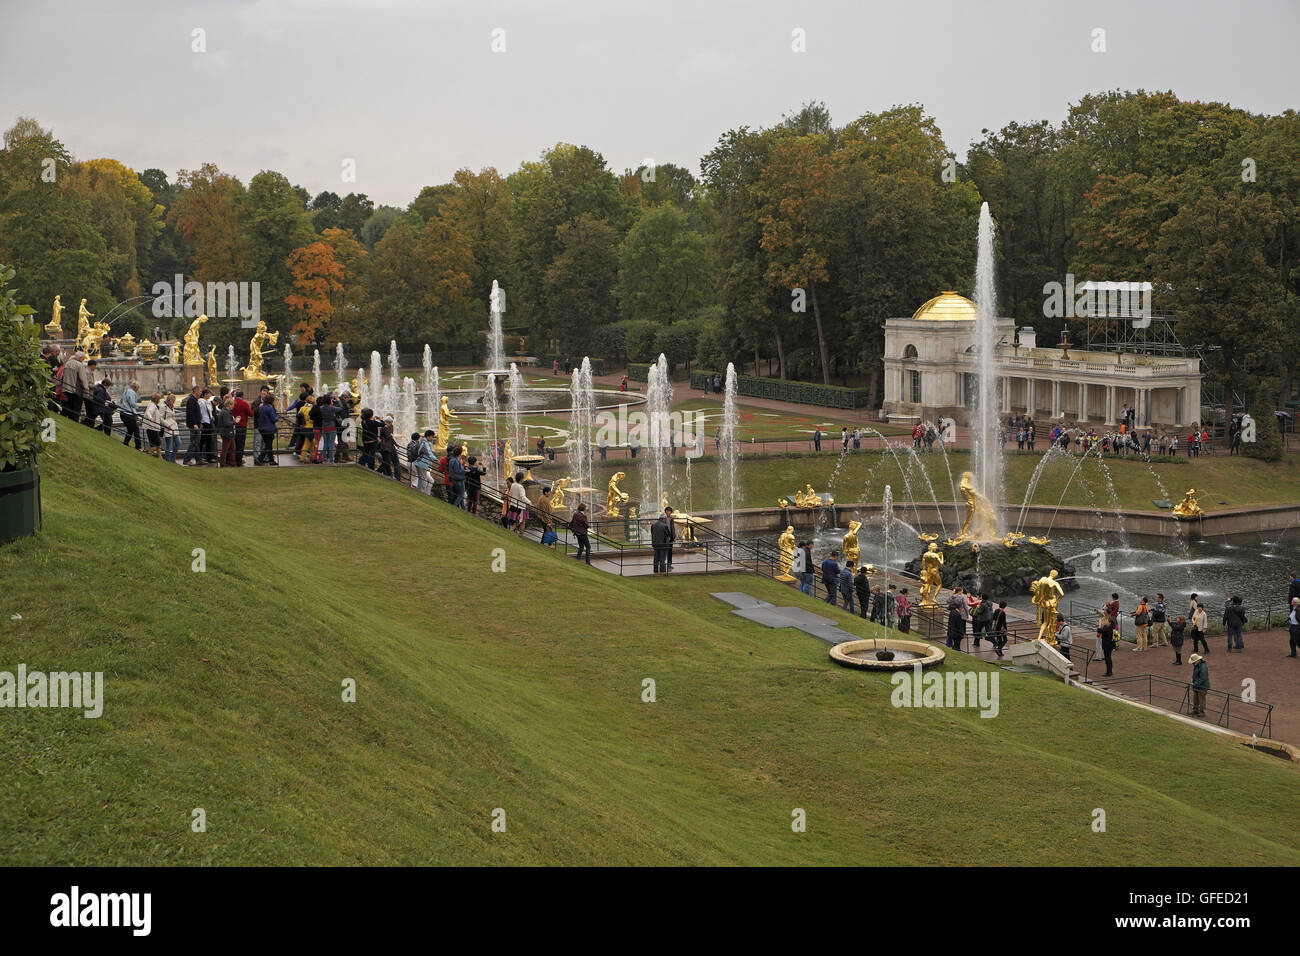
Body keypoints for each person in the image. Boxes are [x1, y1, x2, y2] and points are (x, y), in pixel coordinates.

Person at [181, 385, 204, 466]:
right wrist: (194, 424)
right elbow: (190, 413)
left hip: (196, 424)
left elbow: (196, 413)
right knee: (194, 442)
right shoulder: (191, 400)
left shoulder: (194, 400)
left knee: (196, 443)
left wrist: (199, 423)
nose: (201, 393)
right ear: (196, 391)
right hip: (194, 425)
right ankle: (186, 460)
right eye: (200, 391)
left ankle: (198, 459)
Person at [254, 394, 279, 465]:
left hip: (262, 428)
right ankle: (259, 458)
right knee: (268, 445)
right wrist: (277, 418)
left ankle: (271, 460)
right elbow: (273, 419)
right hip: (269, 428)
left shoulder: (261, 407)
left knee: (268, 445)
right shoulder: (270, 408)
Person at [119, 380, 142, 449]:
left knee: (130, 430)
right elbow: (132, 403)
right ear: (136, 387)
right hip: (128, 414)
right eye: (138, 388)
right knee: (136, 430)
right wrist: (138, 407)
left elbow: (121, 401)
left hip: (123, 413)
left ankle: (126, 443)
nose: (138, 390)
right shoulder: (132, 392)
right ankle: (138, 447)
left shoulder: (126, 391)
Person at [231, 389, 252, 465]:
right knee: (240, 444)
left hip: (233, 425)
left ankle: (232, 459)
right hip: (242, 425)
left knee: (233, 443)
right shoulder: (244, 403)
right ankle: (238, 460)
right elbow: (251, 414)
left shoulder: (232, 402)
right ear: (242, 396)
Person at [215, 395, 237, 467]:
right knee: (226, 448)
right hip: (227, 432)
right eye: (232, 404)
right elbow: (227, 423)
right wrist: (235, 421)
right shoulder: (225, 412)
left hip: (227, 432)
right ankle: (223, 463)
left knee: (231, 448)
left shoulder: (224, 411)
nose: (233, 406)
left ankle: (231, 462)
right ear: (229, 405)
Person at [508, 471, 530, 537]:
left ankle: (513, 532)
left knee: (516, 521)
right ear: (521, 479)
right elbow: (522, 496)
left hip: (513, 505)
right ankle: (520, 535)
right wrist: (529, 502)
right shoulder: (520, 487)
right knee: (521, 521)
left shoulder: (513, 485)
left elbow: (510, 494)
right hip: (520, 506)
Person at [142, 392, 164, 458]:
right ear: (157, 399)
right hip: (152, 428)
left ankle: (160, 458)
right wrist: (151, 418)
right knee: (157, 445)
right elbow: (149, 412)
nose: (160, 400)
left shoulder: (153, 405)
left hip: (153, 428)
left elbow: (159, 417)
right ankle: (148, 456)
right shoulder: (152, 406)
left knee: (156, 445)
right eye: (159, 399)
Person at [1190, 653, 1210, 717]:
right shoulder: (1197, 665)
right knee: (1195, 698)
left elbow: (1203, 678)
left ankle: (1202, 712)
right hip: (1197, 685)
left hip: (1202, 686)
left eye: (1193, 662)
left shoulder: (1203, 667)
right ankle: (1195, 710)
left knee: (1201, 699)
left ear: (1197, 660)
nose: (1192, 664)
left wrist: (1195, 683)